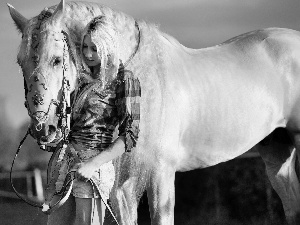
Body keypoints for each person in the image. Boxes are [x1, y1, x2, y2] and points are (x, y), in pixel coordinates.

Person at [45, 15, 141, 225]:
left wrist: (92, 165)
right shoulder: (79, 78)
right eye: (85, 47)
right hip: (65, 165)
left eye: (95, 49)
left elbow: (129, 136)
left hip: (94, 168)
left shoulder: (125, 80)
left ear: (108, 47)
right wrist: (53, 138)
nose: (88, 54)